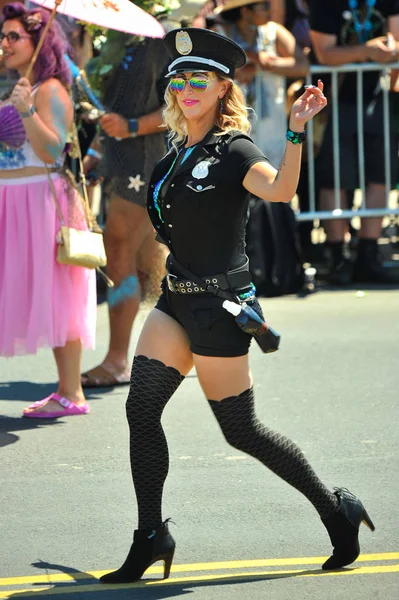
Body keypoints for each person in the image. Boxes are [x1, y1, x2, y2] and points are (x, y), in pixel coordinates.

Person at [99, 28, 375, 584]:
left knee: (240, 432)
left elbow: (280, 191)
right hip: (177, 302)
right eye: (178, 79)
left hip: (222, 309)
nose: (185, 88)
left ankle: (334, 509)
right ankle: (151, 534)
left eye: (199, 78)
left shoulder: (235, 150)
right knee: (141, 409)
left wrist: (295, 132)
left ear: (224, 88)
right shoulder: (176, 154)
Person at [0, 2, 96, 417]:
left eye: (13, 36)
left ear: (38, 40)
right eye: (2, 37)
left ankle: (71, 391)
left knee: (57, 295)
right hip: (13, 201)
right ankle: (68, 390)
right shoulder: (17, 85)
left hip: (42, 202)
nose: (4, 44)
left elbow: (55, 150)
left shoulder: (51, 89)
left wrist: (24, 110)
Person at [79, 19, 172, 388]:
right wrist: (95, 150)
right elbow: (111, 110)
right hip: (121, 160)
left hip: (145, 161)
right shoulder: (116, 35)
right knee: (149, 261)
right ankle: (188, 346)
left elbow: (184, 105)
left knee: (120, 250)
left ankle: (119, 360)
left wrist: (132, 127)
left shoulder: (163, 39)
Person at [309, 0, 399, 284]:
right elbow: (324, 54)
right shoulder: (325, 4)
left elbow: (397, 40)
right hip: (334, 97)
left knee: (380, 173)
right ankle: (338, 254)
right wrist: (367, 51)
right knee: (334, 177)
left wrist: (389, 50)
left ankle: (368, 254)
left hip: (377, 94)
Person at [213, 0, 308, 168]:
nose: (269, 9)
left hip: (271, 126)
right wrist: (248, 60)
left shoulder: (274, 31)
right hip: (232, 124)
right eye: (263, 6)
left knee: (275, 181)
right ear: (245, 11)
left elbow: (302, 66)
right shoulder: (219, 34)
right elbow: (210, 73)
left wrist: (263, 66)